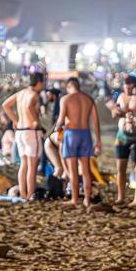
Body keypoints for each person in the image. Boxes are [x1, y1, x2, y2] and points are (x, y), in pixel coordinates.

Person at [55, 76, 102, 207]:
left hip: (71, 134)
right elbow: (95, 121)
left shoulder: (65, 99)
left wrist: (57, 128)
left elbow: (61, 119)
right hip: (85, 134)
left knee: (73, 169)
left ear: (69, 86)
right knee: (86, 170)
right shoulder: (89, 99)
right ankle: (87, 199)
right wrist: (98, 140)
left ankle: (75, 199)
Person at [2, 72, 46, 200]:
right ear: (38, 82)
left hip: (20, 131)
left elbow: (6, 105)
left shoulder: (20, 93)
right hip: (30, 131)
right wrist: (36, 120)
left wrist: (15, 120)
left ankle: (22, 194)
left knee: (24, 164)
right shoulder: (34, 95)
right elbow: (29, 106)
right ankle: (30, 194)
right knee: (32, 166)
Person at [106, 75, 136, 205]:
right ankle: (121, 197)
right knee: (120, 168)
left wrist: (126, 112)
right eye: (126, 87)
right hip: (122, 135)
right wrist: (115, 111)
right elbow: (114, 114)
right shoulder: (121, 96)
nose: (128, 90)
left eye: (130, 87)